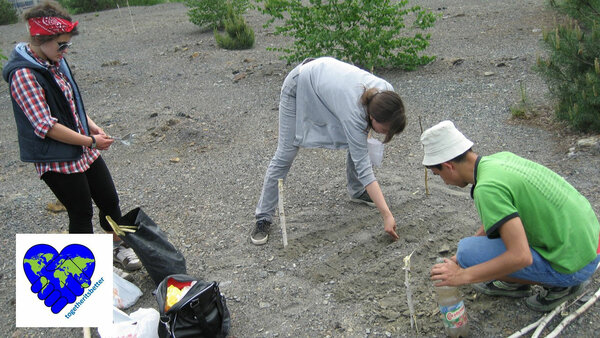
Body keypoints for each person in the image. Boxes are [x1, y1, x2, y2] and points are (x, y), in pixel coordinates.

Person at [2, 1, 141, 273]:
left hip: (82, 147)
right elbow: (47, 126)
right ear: (40, 39)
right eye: (61, 45)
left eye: (67, 45)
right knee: (80, 213)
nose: (65, 51)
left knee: (110, 200)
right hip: (55, 158)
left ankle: (119, 246)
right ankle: (84, 272)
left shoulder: (56, 60)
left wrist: (92, 127)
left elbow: (72, 105)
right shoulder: (23, 75)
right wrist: (90, 141)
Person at [422, 120, 600, 312]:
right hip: (590, 243)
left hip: (576, 266)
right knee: (469, 249)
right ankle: (518, 280)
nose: (443, 181)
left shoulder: (486, 189)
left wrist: (461, 275)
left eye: (436, 174)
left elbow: (521, 256)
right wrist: (456, 259)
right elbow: (501, 218)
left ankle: (561, 287)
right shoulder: (498, 160)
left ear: (448, 166)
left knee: (469, 254)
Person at [251, 57, 407, 245]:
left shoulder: (387, 93)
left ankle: (357, 191)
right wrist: (387, 215)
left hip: (324, 77)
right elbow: (364, 167)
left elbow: (361, 136)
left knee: (358, 138)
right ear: (372, 116)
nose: (384, 134)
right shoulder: (354, 114)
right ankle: (263, 217)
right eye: (384, 129)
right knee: (286, 153)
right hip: (299, 84)